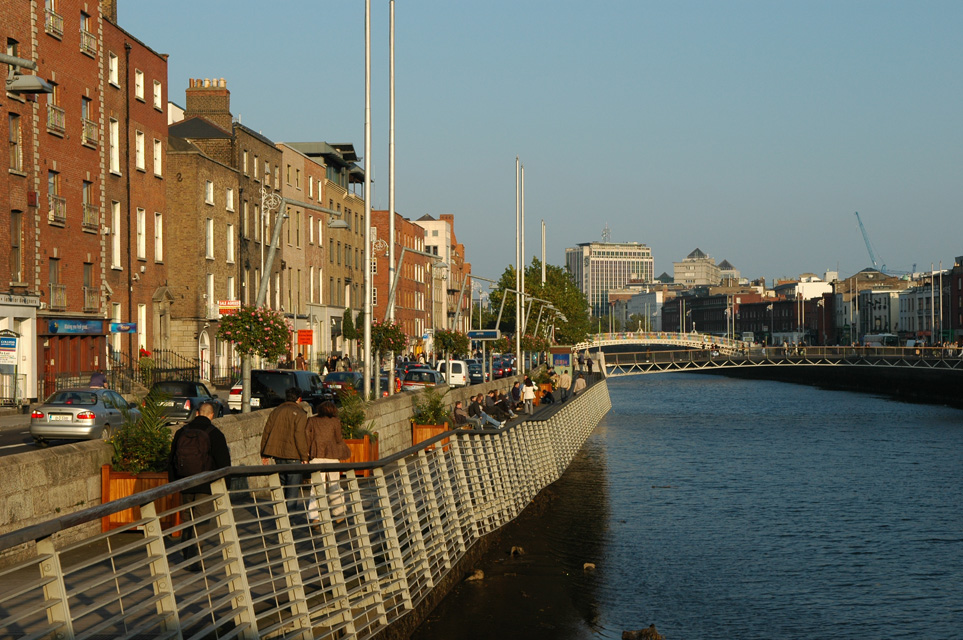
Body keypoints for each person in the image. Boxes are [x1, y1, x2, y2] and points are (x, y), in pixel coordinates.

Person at [168, 402, 231, 571]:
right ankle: (196, 557)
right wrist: (225, 486)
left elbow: (172, 458)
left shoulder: (182, 432)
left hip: (185, 481)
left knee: (188, 518)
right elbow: (224, 463)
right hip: (206, 483)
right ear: (211, 415)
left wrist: (174, 483)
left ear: (197, 413)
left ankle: (188, 553)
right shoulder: (215, 434)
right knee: (201, 519)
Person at [260, 387, 310, 506]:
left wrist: (264, 453)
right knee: (292, 489)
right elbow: (300, 436)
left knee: (282, 487)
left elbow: (266, 431)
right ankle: (289, 518)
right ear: (299, 399)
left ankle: (281, 514)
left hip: (278, 456)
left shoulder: (276, 411)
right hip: (293, 456)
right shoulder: (300, 413)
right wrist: (304, 457)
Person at [305, 401, 351, 526]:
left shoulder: (312, 420)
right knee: (334, 485)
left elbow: (307, 437)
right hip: (332, 456)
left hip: (316, 456)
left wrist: (307, 454)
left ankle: (315, 517)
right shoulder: (335, 421)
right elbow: (338, 439)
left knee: (316, 488)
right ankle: (339, 513)